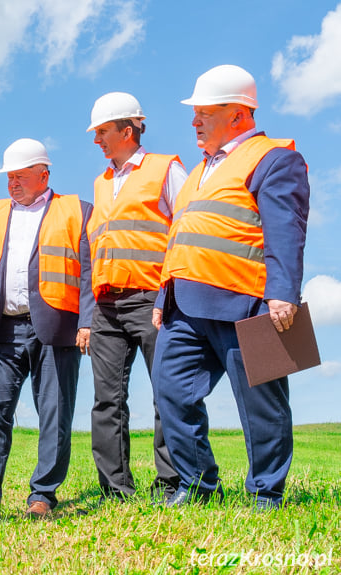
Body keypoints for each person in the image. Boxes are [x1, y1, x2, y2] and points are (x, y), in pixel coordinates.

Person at [152, 65, 310, 509]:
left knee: (263, 403)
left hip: (251, 300)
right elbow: (181, 238)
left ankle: (265, 493)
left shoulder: (275, 158)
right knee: (170, 390)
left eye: (204, 112)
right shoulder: (201, 170)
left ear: (238, 114)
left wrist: (284, 293)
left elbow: (286, 230)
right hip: (185, 305)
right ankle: (198, 486)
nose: (194, 121)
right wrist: (164, 296)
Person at [0, 139, 93, 519]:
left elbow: (89, 270)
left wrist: (87, 321)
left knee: (55, 412)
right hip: (3, 326)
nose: (12, 183)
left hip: (56, 326)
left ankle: (43, 496)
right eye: (9, 177)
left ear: (43, 174)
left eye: (19, 176)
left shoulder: (76, 210)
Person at [85, 93, 185, 502]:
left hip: (152, 297)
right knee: (106, 399)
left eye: (103, 132)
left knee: (167, 391)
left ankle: (173, 483)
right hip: (106, 304)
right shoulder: (102, 181)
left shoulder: (166, 169)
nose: (97, 141)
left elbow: (187, 229)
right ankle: (116, 490)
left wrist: (170, 291)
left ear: (128, 131)